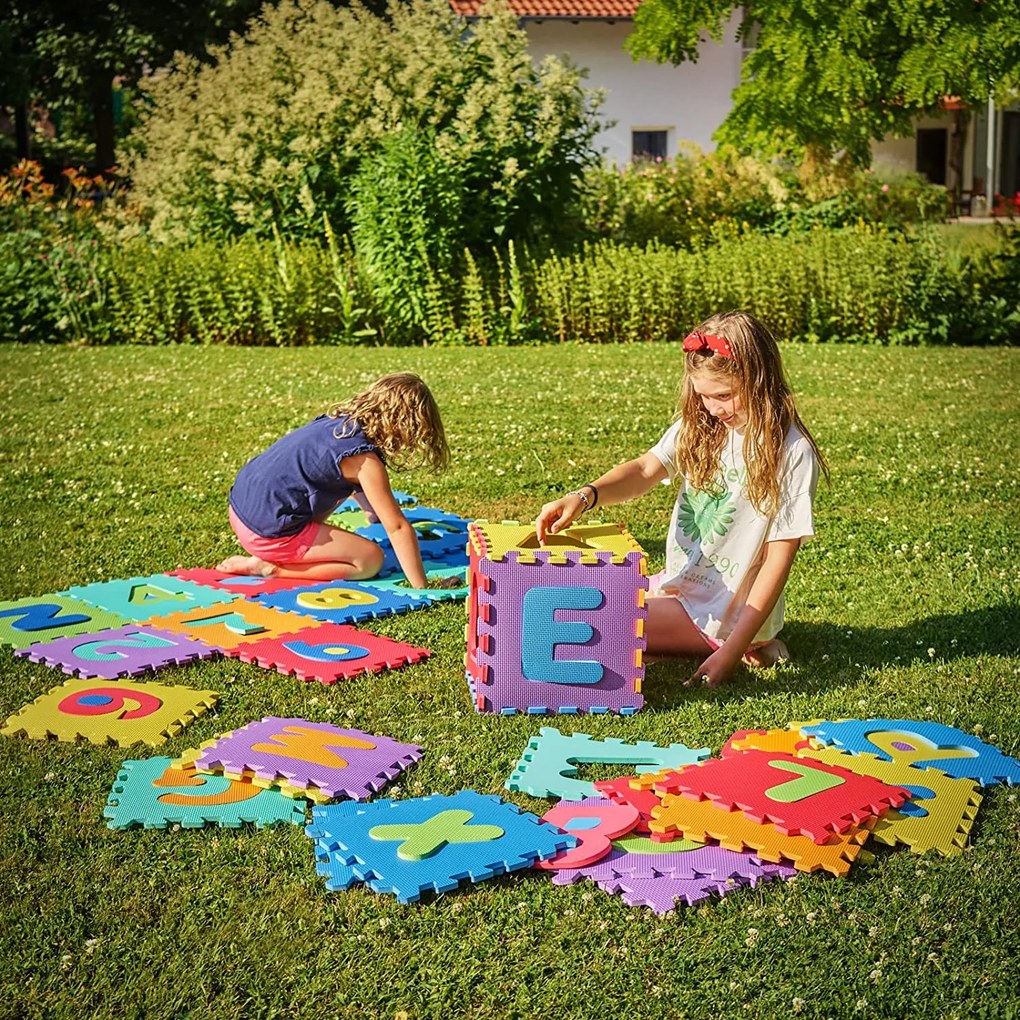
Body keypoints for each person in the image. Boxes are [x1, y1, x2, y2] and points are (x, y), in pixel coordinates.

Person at [535, 310, 826, 687]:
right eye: (703, 395)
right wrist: (585, 495)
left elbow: (778, 560)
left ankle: (749, 643)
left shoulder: (791, 450)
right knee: (581, 595)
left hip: (722, 614)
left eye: (724, 395)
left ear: (759, 381)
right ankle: (748, 645)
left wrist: (731, 652)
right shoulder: (702, 426)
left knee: (588, 621)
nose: (713, 408)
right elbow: (643, 470)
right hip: (684, 588)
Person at [216, 372, 448, 587]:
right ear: (403, 427)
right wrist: (422, 585)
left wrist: (372, 512)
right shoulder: (364, 461)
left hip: (240, 509)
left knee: (329, 486)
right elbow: (397, 527)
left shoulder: (337, 424)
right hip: (266, 533)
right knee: (369, 560)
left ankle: (280, 551)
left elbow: (350, 484)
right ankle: (270, 568)